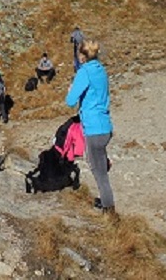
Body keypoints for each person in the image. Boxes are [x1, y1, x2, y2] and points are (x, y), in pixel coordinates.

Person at [65, 40, 115, 215]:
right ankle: (107, 201)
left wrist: (71, 89)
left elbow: (70, 101)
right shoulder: (101, 70)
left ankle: (109, 210)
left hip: (93, 128)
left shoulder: (84, 72)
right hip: (105, 125)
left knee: (98, 171)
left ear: (82, 56)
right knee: (100, 166)